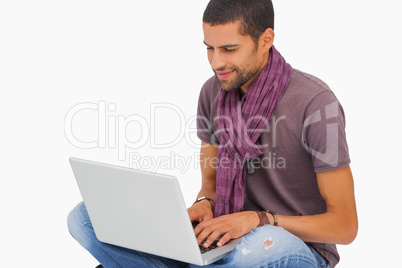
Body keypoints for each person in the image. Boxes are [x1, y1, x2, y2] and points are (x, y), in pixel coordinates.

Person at [67, 0, 358, 267]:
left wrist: (260, 220)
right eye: (209, 47)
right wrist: (204, 206)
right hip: (224, 238)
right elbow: (210, 186)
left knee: (262, 245)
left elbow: (345, 226)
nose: (217, 62)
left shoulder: (316, 102)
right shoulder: (213, 92)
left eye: (229, 49)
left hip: (290, 246)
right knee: (84, 217)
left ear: (266, 40)